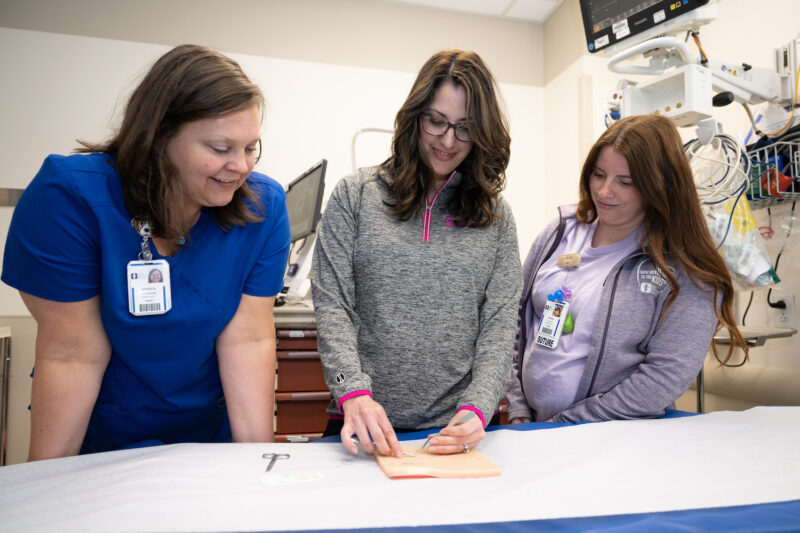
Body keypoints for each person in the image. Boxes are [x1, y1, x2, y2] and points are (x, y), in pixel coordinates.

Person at [2, 44, 291, 459]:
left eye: (250, 148)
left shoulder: (261, 207)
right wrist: (47, 487)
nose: (242, 166)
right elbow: (72, 355)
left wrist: (257, 467)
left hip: (208, 442)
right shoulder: (69, 198)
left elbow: (248, 339)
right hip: (99, 443)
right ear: (159, 138)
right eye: (220, 148)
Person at [311, 50, 522, 457]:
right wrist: (352, 391)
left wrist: (477, 408)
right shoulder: (356, 196)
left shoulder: (497, 217)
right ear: (415, 116)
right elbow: (333, 304)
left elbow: (499, 327)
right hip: (361, 419)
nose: (447, 141)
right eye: (436, 122)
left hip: (458, 430)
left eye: (465, 128)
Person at [506, 114, 747, 424]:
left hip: (612, 436)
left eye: (625, 182)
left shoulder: (685, 268)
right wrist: (518, 409)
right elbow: (514, 323)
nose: (605, 191)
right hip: (532, 428)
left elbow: (663, 377)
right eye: (599, 174)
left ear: (660, 187)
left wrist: (568, 424)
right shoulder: (560, 232)